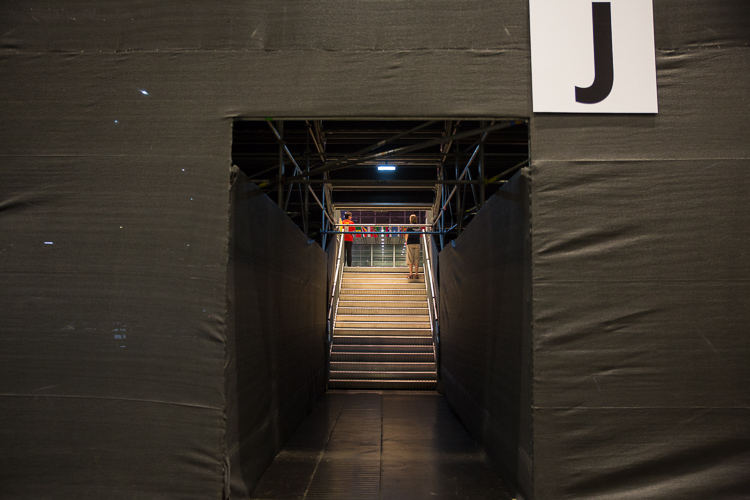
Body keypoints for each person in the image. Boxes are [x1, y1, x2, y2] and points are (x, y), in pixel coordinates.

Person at [405, 214, 421, 279]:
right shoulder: (419, 227)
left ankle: (411, 274)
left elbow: (406, 235)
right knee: (416, 259)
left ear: (411, 220)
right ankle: (416, 274)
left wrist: (406, 242)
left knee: (410, 259)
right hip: (417, 243)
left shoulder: (409, 227)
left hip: (410, 244)